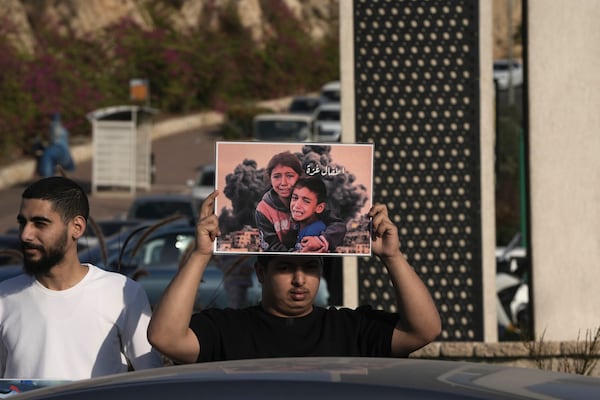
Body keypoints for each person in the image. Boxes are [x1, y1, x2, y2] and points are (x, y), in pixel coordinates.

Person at [148, 191, 441, 363]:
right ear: (262, 272)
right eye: (286, 268)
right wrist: (200, 253)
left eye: (311, 268)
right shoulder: (228, 329)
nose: (300, 279)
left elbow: (423, 330)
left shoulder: (349, 329)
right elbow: (166, 337)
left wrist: (392, 256)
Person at [0, 176, 162, 380]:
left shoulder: (123, 292)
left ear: (77, 227)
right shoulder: (4, 297)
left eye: (40, 223)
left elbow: (152, 379)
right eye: (23, 222)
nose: (26, 235)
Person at [255, 151, 345, 253]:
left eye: (290, 176)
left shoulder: (310, 199)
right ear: (270, 178)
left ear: (299, 176)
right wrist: (298, 254)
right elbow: (270, 246)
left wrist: (321, 241)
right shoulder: (264, 209)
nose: (283, 183)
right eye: (276, 176)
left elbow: (338, 225)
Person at [290, 176, 328, 252]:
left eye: (306, 201)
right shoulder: (298, 226)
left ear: (319, 207)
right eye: (295, 198)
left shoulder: (315, 230)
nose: (297, 205)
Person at [37, 112, 75, 177]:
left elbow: (55, 136)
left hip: (61, 152)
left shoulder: (54, 126)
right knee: (49, 155)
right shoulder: (62, 129)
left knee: (47, 154)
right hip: (66, 157)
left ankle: (47, 179)